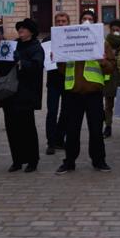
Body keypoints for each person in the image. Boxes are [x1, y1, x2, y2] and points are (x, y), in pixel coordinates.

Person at [55, 19, 115, 175]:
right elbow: (62, 70)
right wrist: (58, 58)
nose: (86, 23)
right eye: (83, 20)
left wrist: (103, 62)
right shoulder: (69, 41)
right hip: (73, 93)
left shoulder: (102, 43)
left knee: (96, 130)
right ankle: (69, 162)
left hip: (93, 93)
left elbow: (111, 67)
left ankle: (99, 161)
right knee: (72, 130)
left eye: (89, 20)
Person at [0, 19, 44, 173]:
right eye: (20, 28)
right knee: (12, 127)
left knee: (27, 128)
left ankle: (32, 160)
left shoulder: (36, 47)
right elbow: (1, 65)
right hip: (10, 93)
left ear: (31, 32)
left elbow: (36, 67)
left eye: (24, 28)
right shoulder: (12, 45)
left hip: (26, 94)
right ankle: (17, 160)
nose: (21, 31)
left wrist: (21, 62)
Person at [45, 12, 70, 155]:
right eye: (58, 21)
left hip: (67, 80)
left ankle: (59, 138)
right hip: (53, 81)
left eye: (64, 21)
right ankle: (51, 142)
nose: (61, 23)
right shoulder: (48, 40)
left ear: (68, 23)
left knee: (66, 112)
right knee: (52, 112)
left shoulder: (73, 38)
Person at [103, 19, 120, 138]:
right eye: (113, 30)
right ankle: (108, 126)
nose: (115, 32)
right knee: (108, 104)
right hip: (109, 77)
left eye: (117, 30)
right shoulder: (106, 43)